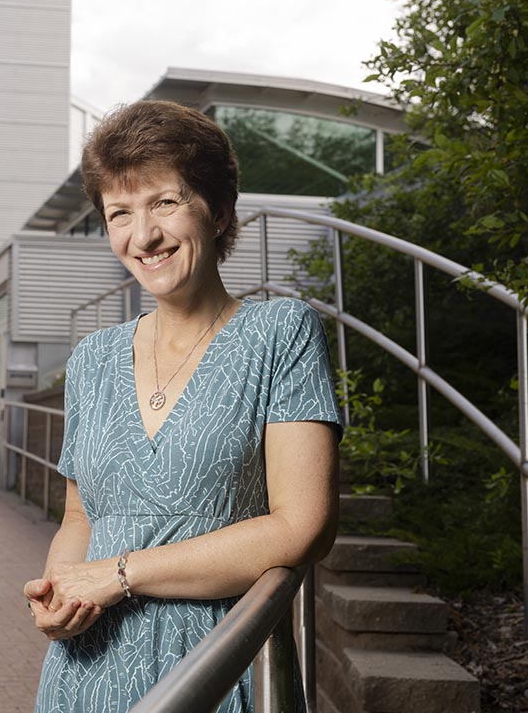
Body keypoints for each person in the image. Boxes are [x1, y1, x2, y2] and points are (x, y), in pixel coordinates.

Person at [24, 100, 342, 712]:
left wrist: (119, 574)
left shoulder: (280, 333)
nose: (143, 235)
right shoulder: (92, 358)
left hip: (218, 665)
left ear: (219, 212)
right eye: (120, 212)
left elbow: (304, 527)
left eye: (164, 203)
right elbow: (79, 521)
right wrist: (63, 595)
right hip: (82, 677)